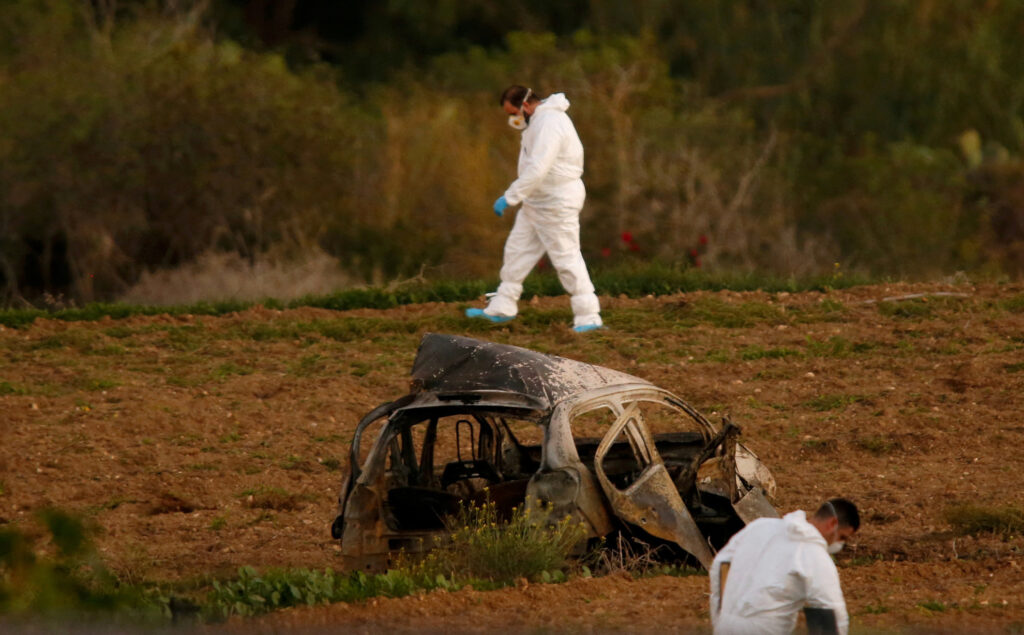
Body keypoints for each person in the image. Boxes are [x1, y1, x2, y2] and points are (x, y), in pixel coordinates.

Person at [465, 85, 603, 333]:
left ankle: (589, 315)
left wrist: (510, 196)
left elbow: (539, 167)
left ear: (526, 106)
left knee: (566, 257)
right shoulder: (538, 123)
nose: (513, 119)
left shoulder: (550, 123)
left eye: (513, 112)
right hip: (537, 202)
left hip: (556, 202)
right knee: (517, 250)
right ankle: (503, 305)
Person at [709, 498, 860, 635]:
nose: (838, 544)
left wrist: (720, 617)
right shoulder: (815, 555)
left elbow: (720, 565)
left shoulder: (759, 526)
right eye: (842, 537)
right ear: (832, 523)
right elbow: (830, 611)